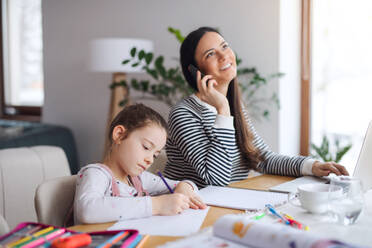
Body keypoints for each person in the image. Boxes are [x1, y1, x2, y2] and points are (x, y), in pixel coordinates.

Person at [164, 27, 348, 188]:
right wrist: (222, 110)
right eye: (210, 54)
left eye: (224, 46)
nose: (223, 56)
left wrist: (311, 166)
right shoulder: (184, 114)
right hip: (193, 208)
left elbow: (262, 158)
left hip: (232, 201)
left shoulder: (234, 106)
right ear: (195, 70)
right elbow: (216, 179)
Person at [74, 103, 206, 224]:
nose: (151, 160)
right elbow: (87, 210)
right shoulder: (96, 174)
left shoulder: (139, 179)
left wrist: (184, 187)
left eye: (155, 154)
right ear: (119, 135)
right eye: (146, 147)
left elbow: (181, 184)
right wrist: (156, 205)